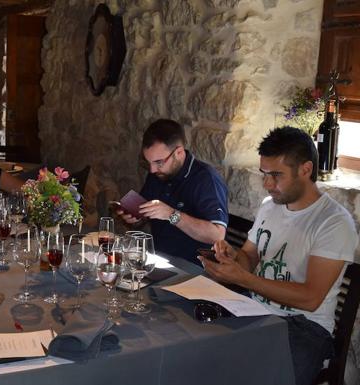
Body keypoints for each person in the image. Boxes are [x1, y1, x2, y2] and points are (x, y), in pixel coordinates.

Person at [201, 127, 359, 385]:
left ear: (306, 170)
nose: (267, 184)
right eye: (264, 174)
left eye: (276, 175)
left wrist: (243, 279)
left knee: (259, 376)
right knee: (196, 349)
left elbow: (310, 298)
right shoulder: (269, 206)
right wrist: (232, 258)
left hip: (306, 327)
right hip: (255, 310)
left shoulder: (333, 223)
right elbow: (249, 259)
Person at [116, 119, 228, 264]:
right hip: (159, 262)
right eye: (147, 162)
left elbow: (217, 235)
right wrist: (133, 217)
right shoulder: (158, 174)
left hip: (195, 270)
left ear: (179, 153)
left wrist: (171, 214)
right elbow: (144, 214)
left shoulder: (206, 179)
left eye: (159, 162)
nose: (152, 170)